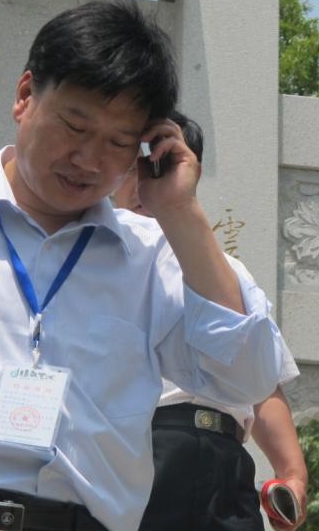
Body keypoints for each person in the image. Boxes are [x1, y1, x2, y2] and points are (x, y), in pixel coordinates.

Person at [0, 0, 285, 531]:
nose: (88, 160)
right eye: (75, 126)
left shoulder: (152, 255)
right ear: (25, 96)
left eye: (118, 142)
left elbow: (246, 380)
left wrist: (180, 212)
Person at [112, 112, 308, 531]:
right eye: (135, 165)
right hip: (138, 447)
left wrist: (292, 474)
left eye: (164, 164)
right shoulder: (95, 255)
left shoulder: (228, 270)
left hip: (224, 458)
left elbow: (264, 386)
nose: (146, 180)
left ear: (190, 170)